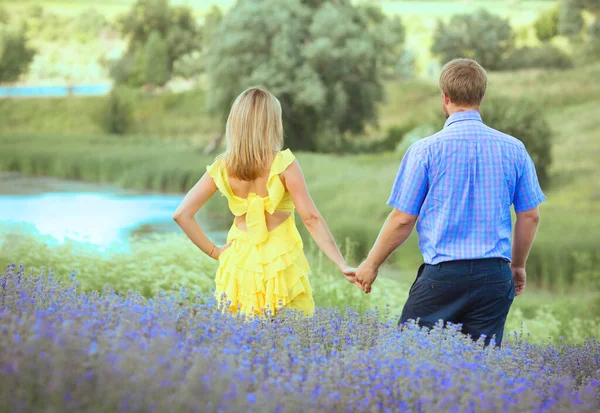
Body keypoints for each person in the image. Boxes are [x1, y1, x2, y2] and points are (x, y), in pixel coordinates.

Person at [355, 58, 546, 346]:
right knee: (480, 368)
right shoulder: (514, 149)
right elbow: (530, 216)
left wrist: (371, 264)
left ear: (445, 98)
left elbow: (403, 219)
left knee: (411, 357)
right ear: (481, 97)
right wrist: (517, 266)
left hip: (442, 276)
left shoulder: (424, 150)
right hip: (494, 275)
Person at [173, 87, 360, 317]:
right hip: (280, 266)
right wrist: (341, 264)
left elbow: (181, 214)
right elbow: (311, 219)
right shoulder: (284, 163)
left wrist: (216, 251)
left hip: (238, 264)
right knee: (286, 342)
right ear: (272, 123)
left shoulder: (222, 166)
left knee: (240, 340)